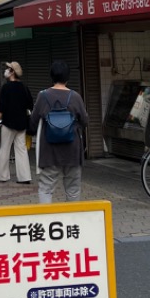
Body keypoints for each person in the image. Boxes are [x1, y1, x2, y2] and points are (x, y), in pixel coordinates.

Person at [29, 60, 89, 203]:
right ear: (68, 77)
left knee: (46, 188)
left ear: (52, 76)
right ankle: (72, 221)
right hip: (72, 150)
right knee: (73, 189)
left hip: (49, 151)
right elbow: (85, 121)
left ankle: (48, 220)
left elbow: (33, 121)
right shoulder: (75, 96)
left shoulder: (43, 96)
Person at [0, 61, 33, 184]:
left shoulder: (6, 87)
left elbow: (1, 107)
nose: (6, 70)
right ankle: (24, 177)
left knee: (5, 148)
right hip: (22, 123)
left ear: (12, 72)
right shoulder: (24, 87)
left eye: (8, 68)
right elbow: (30, 104)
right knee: (21, 149)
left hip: (8, 123)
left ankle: (1, 176)